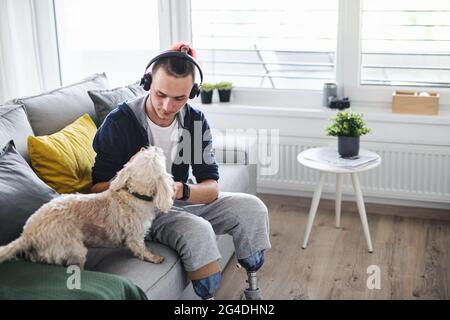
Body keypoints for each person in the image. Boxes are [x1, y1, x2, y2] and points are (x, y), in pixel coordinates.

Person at [90, 42, 271, 300]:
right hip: (136, 211)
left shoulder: (194, 121)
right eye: (160, 94)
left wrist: (178, 190)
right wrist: (130, 177)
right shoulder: (120, 122)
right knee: (198, 230)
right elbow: (95, 190)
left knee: (252, 208)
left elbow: (211, 189)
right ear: (148, 82)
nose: (167, 107)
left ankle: (252, 291)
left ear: (192, 92)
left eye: (179, 98)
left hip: (177, 200)